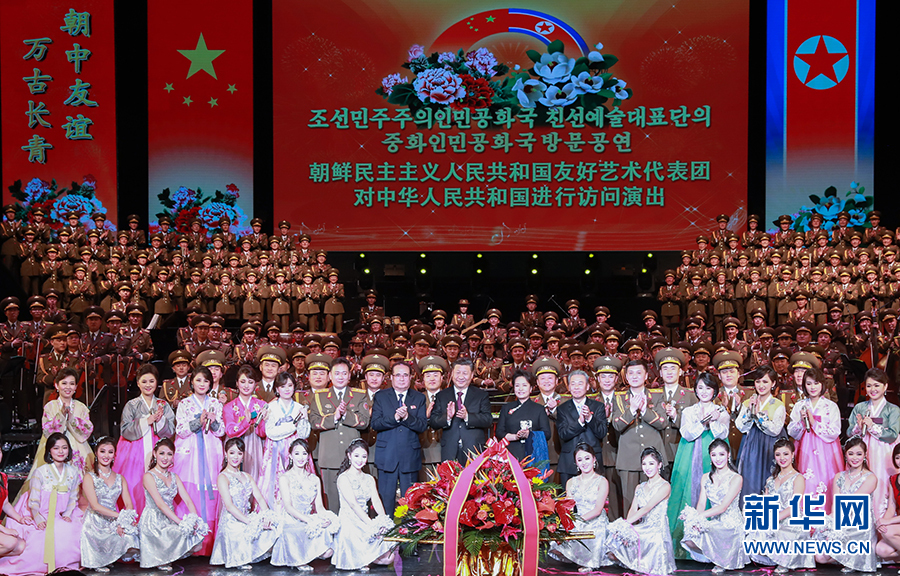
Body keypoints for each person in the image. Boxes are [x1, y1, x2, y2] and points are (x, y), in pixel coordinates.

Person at [667, 372, 731, 559]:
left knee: (714, 491)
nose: (704, 392)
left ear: (715, 391)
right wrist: (704, 422)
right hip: (689, 454)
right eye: (700, 387)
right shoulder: (689, 411)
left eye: (708, 388)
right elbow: (687, 434)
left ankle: (713, 547)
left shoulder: (721, 412)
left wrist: (714, 421)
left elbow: (722, 435)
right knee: (688, 489)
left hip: (712, 454)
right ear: (695, 390)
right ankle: (685, 544)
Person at [0, 433, 83, 576]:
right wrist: (37, 517)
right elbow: (34, 500)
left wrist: (68, 513)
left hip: (63, 512)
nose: (61, 451)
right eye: (56, 448)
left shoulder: (73, 472)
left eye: (64, 448)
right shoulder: (41, 472)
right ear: (49, 450)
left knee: (72, 530)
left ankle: (63, 566)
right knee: (39, 537)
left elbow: (73, 497)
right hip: (41, 511)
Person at [173, 366, 225, 555]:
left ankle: (209, 544)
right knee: (190, 490)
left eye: (206, 381)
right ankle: (187, 543)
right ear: (192, 382)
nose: (202, 384)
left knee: (210, 492)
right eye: (198, 380)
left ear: (210, 384)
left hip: (210, 451)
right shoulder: (184, 404)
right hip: (190, 453)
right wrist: (198, 422)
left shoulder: (215, 403)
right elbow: (180, 430)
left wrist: (214, 421)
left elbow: (221, 431)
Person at [309, 357, 371, 512]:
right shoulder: (320, 396)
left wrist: (346, 415)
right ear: (330, 376)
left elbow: (364, 422)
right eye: (337, 373)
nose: (340, 377)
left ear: (349, 375)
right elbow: (314, 422)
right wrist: (334, 417)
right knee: (332, 502)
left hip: (354, 459)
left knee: (355, 501)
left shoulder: (359, 395)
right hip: (329, 456)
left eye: (344, 373)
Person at [745, 438, 815, 572]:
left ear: (792, 455)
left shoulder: (798, 478)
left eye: (785, 454)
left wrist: (772, 520)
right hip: (773, 520)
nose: (782, 458)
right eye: (778, 454)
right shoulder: (771, 480)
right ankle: (777, 557)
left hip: (792, 521)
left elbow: (794, 506)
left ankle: (785, 559)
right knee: (752, 538)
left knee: (777, 535)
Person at [679, 438, 748, 572]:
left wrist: (698, 517)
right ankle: (718, 556)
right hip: (714, 522)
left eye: (721, 454)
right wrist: (696, 520)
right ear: (710, 457)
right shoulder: (706, 477)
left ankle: (723, 558)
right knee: (689, 539)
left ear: (728, 455)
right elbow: (701, 503)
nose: (718, 458)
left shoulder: (736, 478)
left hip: (731, 525)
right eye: (714, 454)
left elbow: (723, 507)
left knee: (710, 530)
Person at [114, 363, 175, 513]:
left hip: (157, 447)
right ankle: (135, 516)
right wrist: (146, 421)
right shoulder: (131, 405)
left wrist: (160, 421)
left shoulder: (163, 404)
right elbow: (125, 430)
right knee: (134, 482)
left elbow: (171, 431)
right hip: (135, 451)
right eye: (144, 381)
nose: (148, 385)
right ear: (138, 383)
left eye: (152, 381)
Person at [606, 446, 676, 576]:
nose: (647, 467)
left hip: (657, 530)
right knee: (613, 548)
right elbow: (633, 509)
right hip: (643, 527)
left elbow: (647, 508)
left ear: (659, 465)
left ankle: (641, 564)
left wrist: (624, 524)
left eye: (651, 463)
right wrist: (626, 529)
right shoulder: (640, 487)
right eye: (644, 464)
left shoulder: (665, 486)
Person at [139, 438, 207, 570]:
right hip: (153, 521)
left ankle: (166, 555)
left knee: (197, 541)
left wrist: (194, 520)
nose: (165, 458)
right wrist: (181, 523)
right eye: (162, 453)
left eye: (169, 454)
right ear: (155, 454)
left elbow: (188, 500)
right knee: (179, 532)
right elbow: (160, 504)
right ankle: (160, 558)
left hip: (170, 519)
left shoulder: (174, 477)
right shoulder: (149, 476)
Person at [272, 438, 339, 571]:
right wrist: (310, 521)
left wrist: (325, 518)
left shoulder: (314, 479)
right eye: (297, 453)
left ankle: (307, 552)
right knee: (297, 531)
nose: (301, 457)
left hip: (309, 520)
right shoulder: (285, 478)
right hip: (292, 521)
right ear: (290, 456)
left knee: (329, 552)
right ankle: (298, 557)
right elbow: (288, 507)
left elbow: (319, 506)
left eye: (304, 453)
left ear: (308, 456)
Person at [211, 438, 278, 569]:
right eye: (232, 453)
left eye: (239, 453)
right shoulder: (223, 477)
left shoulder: (247, 476)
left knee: (274, 528)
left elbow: (260, 499)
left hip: (247, 519)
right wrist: (249, 522)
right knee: (246, 532)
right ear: (226, 454)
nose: (236, 457)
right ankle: (238, 558)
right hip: (231, 523)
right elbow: (229, 506)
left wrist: (267, 516)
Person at [371, 360, 428, 516]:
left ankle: (408, 530)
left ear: (411, 377)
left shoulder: (419, 398)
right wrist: (395, 418)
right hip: (387, 455)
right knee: (386, 499)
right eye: (398, 375)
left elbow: (422, 426)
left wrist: (408, 417)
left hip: (409, 456)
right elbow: (375, 423)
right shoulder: (381, 396)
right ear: (391, 377)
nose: (402, 378)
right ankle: (385, 529)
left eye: (405, 375)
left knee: (410, 501)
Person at [815, 436, 879, 572]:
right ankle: (845, 557)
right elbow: (836, 504)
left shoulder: (870, 477)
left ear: (865, 455)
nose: (855, 458)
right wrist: (830, 522)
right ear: (845, 455)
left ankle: (854, 558)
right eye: (851, 454)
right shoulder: (839, 476)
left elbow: (852, 503)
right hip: (841, 519)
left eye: (859, 454)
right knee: (820, 557)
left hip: (859, 524)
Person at [331, 439, 397, 571]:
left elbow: (376, 500)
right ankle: (360, 558)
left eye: (364, 456)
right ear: (349, 456)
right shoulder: (343, 478)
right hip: (349, 522)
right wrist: (371, 525)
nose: (360, 460)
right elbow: (353, 504)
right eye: (356, 456)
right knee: (365, 560)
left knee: (390, 558)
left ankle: (365, 557)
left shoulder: (369, 478)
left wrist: (383, 520)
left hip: (364, 520)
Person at [611, 359, 667, 512]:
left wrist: (643, 410)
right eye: (631, 373)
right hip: (628, 459)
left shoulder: (656, 395)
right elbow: (617, 425)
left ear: (646, 375)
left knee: (655, 503)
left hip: (653, 457)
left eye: (638, 372)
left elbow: (662, 423)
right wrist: (631, 410)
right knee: (630, 503)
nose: (634, 376)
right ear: (626, 377)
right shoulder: (619, 397)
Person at [548, 443, 612, 572]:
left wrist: (578, 520)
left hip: (595, 520)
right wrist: (569, 521)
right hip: (577, 519)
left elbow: (598, 509)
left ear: (594, 459)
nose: (584, 463)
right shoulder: (571, 482)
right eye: (580, 460)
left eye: (587, 458)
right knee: (558, 541)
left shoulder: (602, 481)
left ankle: (589, 560)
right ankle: (578, 558)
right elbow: (569, 507)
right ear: (576, 463)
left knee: (591, 533)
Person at [80, 437, 140, 571]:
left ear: (114, 455)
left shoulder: (120, 478)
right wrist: (119, 516)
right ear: (96, 453)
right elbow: (95, 506)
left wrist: (122, 522)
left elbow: (129, 504)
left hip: (114, 520)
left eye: (110, 452)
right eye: (102, 451)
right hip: (95, 521)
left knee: (131, 537)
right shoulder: (89, 477)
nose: (106, 455)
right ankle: (98, 561)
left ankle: (109, 557)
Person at [849, 368, 900, 518]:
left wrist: (872, 427)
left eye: (877, 385)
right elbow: (849, 433)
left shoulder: (893, 409)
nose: (873, 389)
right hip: (863, 450)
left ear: (885, 386)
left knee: (882, 484)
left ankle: (881, 520)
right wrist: (858, 427)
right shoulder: (860, 407)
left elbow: (892, 435)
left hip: (884, 452)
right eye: (869, 385)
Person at [787, 367, 843, 497]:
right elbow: (791, 431)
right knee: (805, 480)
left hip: (826, 449)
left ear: (822, 384)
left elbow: (835, 431)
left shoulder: (831, 406)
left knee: (827, 477)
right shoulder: (799, 405)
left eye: (816, 383)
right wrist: (802, 423)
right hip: (804, 449)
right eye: (809, 383)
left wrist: (814, 423)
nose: (812, 387)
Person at [428, 357, 492, 464]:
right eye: (457, 373)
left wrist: (468, 417)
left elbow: (488, 420)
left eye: (465, 373)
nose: (461, 377)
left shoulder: (481, 395)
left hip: (474, 449)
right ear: (452, 374)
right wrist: (447, 417)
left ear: (472, 375)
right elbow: (433, 422)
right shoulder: (442, 395)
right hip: (449, 449)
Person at [736, 365, 787, 500]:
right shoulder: (748, 403)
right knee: (751, 478)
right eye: (758, 381)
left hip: (770, 445)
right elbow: (741, 426)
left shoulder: (778, 404)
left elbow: (775, 430)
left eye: (765, 381)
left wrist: (758, 415)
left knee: (770, 478)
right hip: (751, 445)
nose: (761, 385)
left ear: (773, 383)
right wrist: (750, 411)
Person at [556, 370, 607, 487]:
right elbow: (563, 434)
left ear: (587, 386)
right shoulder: (562, 409)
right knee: (569, 496)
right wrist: (579, 422)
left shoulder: (598, 406)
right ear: (569, 387)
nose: (576, 387)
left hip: (593, 461)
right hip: (569, 463)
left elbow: (602, 432)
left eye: (580, 383)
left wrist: (590, 418)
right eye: (573, 384)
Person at [494, 369, 552, 465]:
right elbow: (499, 432)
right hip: (510, 454)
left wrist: (530, 434)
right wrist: (515, 437)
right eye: (517, 386)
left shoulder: (539, 409)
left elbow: (547, 434)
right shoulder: (506, 408)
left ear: (531, 388)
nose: (520, 389)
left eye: (524, 385)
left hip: (533, 455)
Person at [223, 365, 269, 483]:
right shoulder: (229, 406)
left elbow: (263, 433)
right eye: (243, 382)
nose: (246, 385)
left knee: (254, 478)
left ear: (255, 385)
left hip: (255, 445)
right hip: (234, 446)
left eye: (250, 382)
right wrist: (245, 422)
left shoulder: (262, 405)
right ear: (237, 383)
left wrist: (264, 421)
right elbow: (230, 431)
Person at [0, 443, 27, 559]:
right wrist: (5, 530)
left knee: (20, 546)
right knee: (10, 543)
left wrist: (19, 518)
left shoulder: (3, 477)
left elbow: (5, 504)